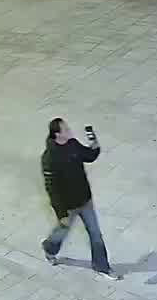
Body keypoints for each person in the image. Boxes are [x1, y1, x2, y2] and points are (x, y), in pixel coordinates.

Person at [40, 118, 116, 280]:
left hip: (85, 200)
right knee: (61, 233)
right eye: (66, 129)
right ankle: (49, 248)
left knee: (95, 234)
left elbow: (89, 156)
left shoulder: (72, 144)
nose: (70, 131)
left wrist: (93, 141)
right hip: (68, 207)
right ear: (57, 134)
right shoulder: (49, 158)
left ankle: (102, 267)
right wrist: (62, 214)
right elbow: (52, 190)